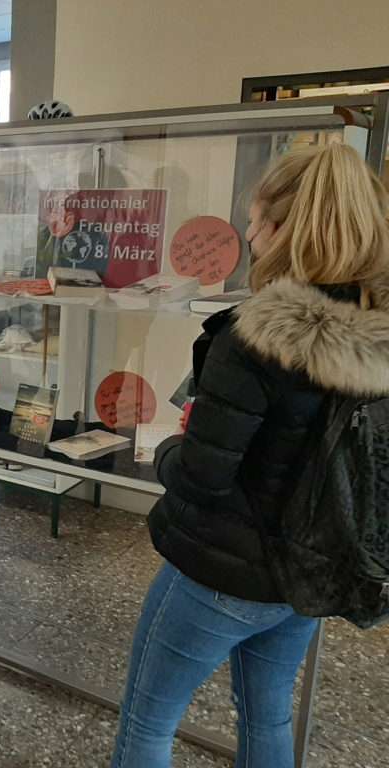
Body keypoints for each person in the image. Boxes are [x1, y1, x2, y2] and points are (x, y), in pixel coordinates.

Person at [111, 142, 389, 768]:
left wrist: (168, 451)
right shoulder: (377, 337)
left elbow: (204, 478)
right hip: (306, 576)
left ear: (290, 230)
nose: (248, 233)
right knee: (266, 716)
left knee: (147, 726)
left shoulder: (253, 337)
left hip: (220, 576)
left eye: (258, 219)